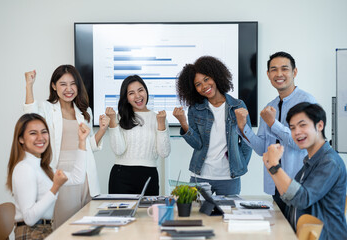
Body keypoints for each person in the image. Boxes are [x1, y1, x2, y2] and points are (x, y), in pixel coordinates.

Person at [23, 65, 110, 228]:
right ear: (54, 86)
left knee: (87, 224)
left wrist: (103, 130)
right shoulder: (47, 108)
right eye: (63, 84)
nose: (68, 89)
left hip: (85, 174)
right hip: (63, 175)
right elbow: (29, 118)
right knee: (66, 226)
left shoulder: (85, 111)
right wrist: (29, 86)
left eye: (73, 84)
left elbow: (88, 146)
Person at [235, 51, 316, 214]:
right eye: (273, 69)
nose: (279, 74)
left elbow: (302, 143)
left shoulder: (307, 101)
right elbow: (261, 149)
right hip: (276, 187)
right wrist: (243, 127)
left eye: (284, 69)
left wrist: (273, 123)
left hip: (298, 187)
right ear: (268, 74)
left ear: (294, 72)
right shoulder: (270, 106)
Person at [262, 103, 347, 240]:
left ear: (319, 126)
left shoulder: (330, 162)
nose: (297, 132)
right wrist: (270, 167)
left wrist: (274, 165)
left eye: (303, 125)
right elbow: (289, 198)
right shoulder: (310, 161)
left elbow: (302, 199)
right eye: (292, 128)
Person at [173, 56, 252, 195]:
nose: (204, 86)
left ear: (216, 76)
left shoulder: (238, 106)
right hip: (201, 175)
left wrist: (239, 164)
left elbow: (247, 141)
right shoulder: (195, 109)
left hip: (229, 177)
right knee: (198, 214)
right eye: (198, 84)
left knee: (227, 216)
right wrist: (183, 123)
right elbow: (198, 144)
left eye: (206, 79)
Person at [6, 113, 90, 239]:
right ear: (21, 139)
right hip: (31, 234)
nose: (40, 138)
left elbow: (78, 178)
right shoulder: (24, 168)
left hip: (44, 230)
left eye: (44, 132)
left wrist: (82, 141)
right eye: (33, 133)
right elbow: (29, 218)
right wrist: (55, 187)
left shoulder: (42, 168)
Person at [105, 75, 171, 196]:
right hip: (121, 176)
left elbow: (164, 153)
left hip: (149, 176)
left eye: (140, 90)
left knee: (148, 214)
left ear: (146, 91)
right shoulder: (119, 117)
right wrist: (113, 122)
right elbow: (118, 150)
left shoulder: (158, 118)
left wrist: (161, 123)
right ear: (126, 97)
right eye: (131, 93)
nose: (138, 96)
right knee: (120, 214)